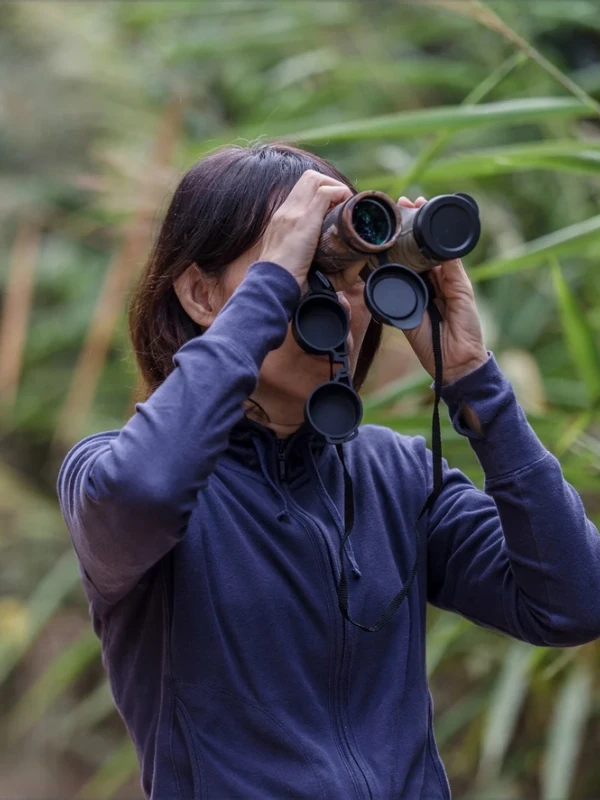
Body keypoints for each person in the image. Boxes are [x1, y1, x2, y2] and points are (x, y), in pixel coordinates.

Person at [56, 142, 600, 800]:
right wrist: (269, 291)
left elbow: (574, 602)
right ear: (203, 293)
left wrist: (473, 381)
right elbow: (145, 490)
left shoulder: (395, 475)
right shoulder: (109, 474)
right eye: (301, 272)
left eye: (354, 277)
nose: (342, 306)